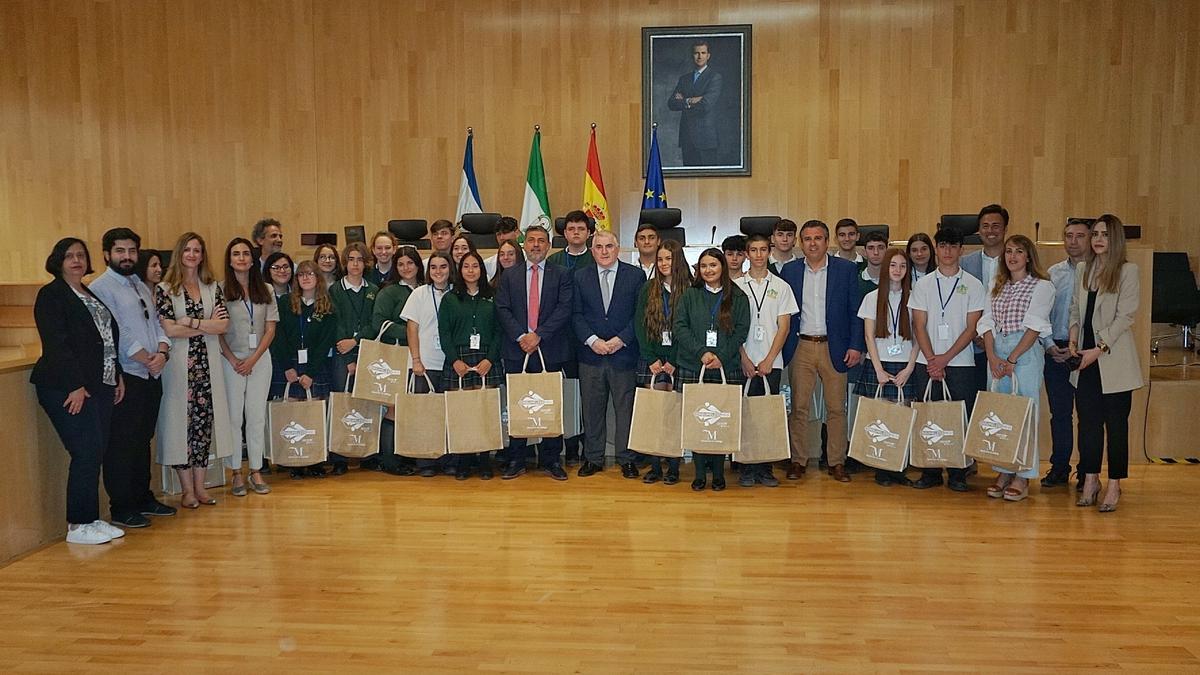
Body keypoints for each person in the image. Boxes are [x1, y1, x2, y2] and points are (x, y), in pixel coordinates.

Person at [31, 238, 126, 544]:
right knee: (85, 451)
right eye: (69, 256)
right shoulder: (52, 295)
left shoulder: (88, 292)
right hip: (66, 386)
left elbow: (106, 340)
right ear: (58, 260)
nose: (76, 261)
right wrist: (75, 385)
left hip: (101, 384)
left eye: (81, 256)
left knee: (95, 451)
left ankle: (92, 518)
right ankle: (77, 524)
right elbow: (56, 345)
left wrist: (118, 375)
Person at [89, 228, 175, 528]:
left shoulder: (139, 284)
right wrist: (146, 358)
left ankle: (143, 497)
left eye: (131, 251)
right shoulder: (101, 287)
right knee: (122, 443)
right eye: (120, 251)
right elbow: (114, 331)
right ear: (106, 254)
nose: (126, 257)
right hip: (128, 374)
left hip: (152, 373)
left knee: (142, 440)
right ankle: (122, 506)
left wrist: (163, 351)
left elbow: (155, 324)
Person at [779, 220, 865, 482]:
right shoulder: (790, 271)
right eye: (807, 239)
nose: (813, 243)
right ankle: (798, 460)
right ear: (800, 243)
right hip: (801, 346)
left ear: (828, 242)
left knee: (836, 408)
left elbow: (856, 312)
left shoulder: (846, 270)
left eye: (818, 238)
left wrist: (855, 345)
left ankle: (836, 462)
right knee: (800, 408)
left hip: (835, 347)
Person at [1069, 214, 1142, 513]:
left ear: (1116, 240)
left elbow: (1126, 316)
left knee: (1115, 427)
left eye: (1105, 235)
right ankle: (1090, 480)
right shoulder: (1084, 269)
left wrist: (1097, 350)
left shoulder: (1128, 271)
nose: (1098, 239)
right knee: (1087, 425)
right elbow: (1075, 310)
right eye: (1096, 233)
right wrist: (1073, 341)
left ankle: (1114, 484)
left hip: (1112, 361)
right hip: (1083, 360)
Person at [155, 232, 232, 508]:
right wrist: (203, 323)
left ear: (202, 256)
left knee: (202, 427)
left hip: (207, 367)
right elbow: (169, 329)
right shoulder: (165, 289)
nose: (192, 255)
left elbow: (222, 326)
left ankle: (200, 487)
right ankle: (186, 490)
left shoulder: (212, 287)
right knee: (179, 427)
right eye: (187, 249)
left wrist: (191, 322)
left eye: (197, 250)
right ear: (180, 253)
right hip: (178, 369)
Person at [977, 234, 1055, 502]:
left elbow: (1035, 326)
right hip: (997, 351)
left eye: (1018, 252)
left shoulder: (1042, 286)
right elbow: (986, 321)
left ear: (1028, 257)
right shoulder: (995, 284)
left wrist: (1012, 359)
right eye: (1008, 251)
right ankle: (1003, 470)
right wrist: (992, 356)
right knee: (1000, 415)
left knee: (1025, 413)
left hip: (1025, 352)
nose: (1012, 256)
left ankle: (1022, 475)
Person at [907, 226, 986, 491]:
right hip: (926, 362)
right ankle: (929, 471)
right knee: (928, 417)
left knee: (958, 418)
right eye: (942, 246)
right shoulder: (923, 284)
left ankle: (958, 472)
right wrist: (932, 359)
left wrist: (945, 359)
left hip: (961, 362)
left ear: (961, 250)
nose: (947, 251)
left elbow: (972, 328)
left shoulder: (974, 285)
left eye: (953, 246)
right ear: (936, 250)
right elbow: (919, 325)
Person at [495, 224, 574, 480]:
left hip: (550, 349)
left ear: (549, 246)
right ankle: (517, 459)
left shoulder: (561, 274)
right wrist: (522, 336)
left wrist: (538, 335)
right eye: (531, 241)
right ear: (524, 245)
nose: (536, 245)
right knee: (518, 405)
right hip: (517, 350)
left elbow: (564, 309)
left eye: (541, 241)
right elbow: (502, 309)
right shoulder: (509, 275)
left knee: (550, 404)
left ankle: (551, 459)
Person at [674, 248, 749, 491]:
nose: (708, 270)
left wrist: (721, 356)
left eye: (713, 265)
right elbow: (680, 327)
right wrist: (702, 353)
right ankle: (698, 474)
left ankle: (718, 473)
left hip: (725, 366)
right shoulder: (689, 295)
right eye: (704, 266)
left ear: (723, 268)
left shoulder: (737, 296)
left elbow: (741, 330)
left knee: (719, 421)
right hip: (693, 365)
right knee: (699, 420)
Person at [571, 230, 644, 478]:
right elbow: (576, 315)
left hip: (623, 354)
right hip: (591, 355)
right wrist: (593, 341)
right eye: (599, 247)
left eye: (609, 246)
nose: (604, 251)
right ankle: (593, 458)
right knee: (592, 411)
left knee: (625, 411)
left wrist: (620, 340)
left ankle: (627, 459)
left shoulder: (635, 276)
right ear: (592, 250)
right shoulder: (580, 277)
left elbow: (640, 315)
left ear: (618, 248)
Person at [736, 233, 798, 487]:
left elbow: (784, 326)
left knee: (768, 417)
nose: (759, 255)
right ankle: (746, 467)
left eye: (763, 250)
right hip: (744, 361)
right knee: (746, 415)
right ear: (747, 254)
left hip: (772, 362)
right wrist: (745, 358)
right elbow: (731, 328)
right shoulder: (738, 286)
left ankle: (766, 468)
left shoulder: (781, 286)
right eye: (754, 250)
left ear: (769, 252)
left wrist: (770, 358)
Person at [217, 237, 278, 497]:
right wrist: (233, 359)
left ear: (252, 260)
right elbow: (218, 331)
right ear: (229, 260)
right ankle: (235, 472)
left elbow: (270, 328)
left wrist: (254, 359)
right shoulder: (219, 290)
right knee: (233, 417)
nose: (241, 258)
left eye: (245, 254)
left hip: (260, 360)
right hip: (230, 360)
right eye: (236, 254)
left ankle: (255, 469)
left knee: (256, 417)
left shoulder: (266, 289)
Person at [856, 249, 919, 486]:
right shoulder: (872, 298)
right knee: (880, 419)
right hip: (879, 364)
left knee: (901, 418)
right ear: (885, 269)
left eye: (903, 266)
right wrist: (878, 368)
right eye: (893, 265)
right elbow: (869, 337)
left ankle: (898, 467)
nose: (897, 270)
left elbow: (919, 337)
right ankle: (881, 469)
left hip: (905, 365)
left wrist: (910, 368)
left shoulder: (914, 297)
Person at [270, 259, 337, 478]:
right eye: (301, 274)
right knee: (293, 411)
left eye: (310, 274)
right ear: (296, 279)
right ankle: (294, 462)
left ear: (318, 278)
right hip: (289, 365)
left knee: (315, 412)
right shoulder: (285, 303)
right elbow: (277, 337)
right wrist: (288, 367)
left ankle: (315, 460)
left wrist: (310, 372)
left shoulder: (326, 306)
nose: (305, 278)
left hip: (315, 366)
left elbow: (325, 342)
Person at [439, 251, 502, 480]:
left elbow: (499, 331)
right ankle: (464, 461)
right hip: (459, 359)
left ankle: (485, 460)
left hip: (486, 358)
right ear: (460, 270)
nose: (471, 270)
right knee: (463, 413)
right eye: (466, 266)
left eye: (475, 266)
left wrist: (490, 359)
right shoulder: (450, 298)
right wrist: (455, 360)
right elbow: (444, 333)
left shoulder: (493, 296)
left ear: (482, 270)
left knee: (484, 412)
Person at [635, 240, 692, 485]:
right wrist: (652, 358)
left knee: (674, 414)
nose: (663, 264)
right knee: (654, 414)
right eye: (660, 260)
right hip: (653, 362)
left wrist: (675, 362)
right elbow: (639, 324)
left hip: (679, 361)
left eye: (668, 259)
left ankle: (674, 467)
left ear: (677, 260)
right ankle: (655, 466)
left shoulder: (690, 289)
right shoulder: (649, 288)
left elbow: (692, 329)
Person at [1042, 218, 1091, 488]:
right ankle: (1060, 467)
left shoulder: (1099, 272)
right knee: (1059, 413)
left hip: (1087, 352)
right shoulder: (1053, 273)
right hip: (1057, 350)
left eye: (1079, 236)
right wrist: (1050, 345)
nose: (1073, 241)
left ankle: (1087, 471)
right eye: (1068, 236)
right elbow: (1042, 314)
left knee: (1087, 414)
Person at [368, 246, 424, 477]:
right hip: (397, 355)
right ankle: (389, 461)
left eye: (410, 263)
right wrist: (413, 332)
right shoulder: (389, 292)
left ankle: (408, 455)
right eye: (400, 264)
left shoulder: (427, 289)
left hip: (422, 356)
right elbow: (378, 323)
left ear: (418, 265)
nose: (405, 268)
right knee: (394, 407)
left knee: (413, 409)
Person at [400, 252, 454, 477]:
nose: (438, 271)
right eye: (433, 267)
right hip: (425, 362)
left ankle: (449, 459)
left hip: (451, 363)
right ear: (428, 271)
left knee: (449, 415)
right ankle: (426, 462)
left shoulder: (456, 293)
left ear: (450, 268)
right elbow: (411, 328)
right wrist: (416, 360)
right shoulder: (419, 294)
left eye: (443, 266)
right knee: (424, 415)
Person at [328, 242, 379, 474]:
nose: (355, 264)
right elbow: (334, 322)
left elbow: (374, 323)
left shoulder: (373, 290)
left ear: (365, 262)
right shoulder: (335, 290)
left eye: (359, 259)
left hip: (367, 351)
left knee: (367, 403)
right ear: (345, 263)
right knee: (342, 402)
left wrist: (357, 342)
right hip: (341, 353)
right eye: (351, 259)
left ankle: (367, 453)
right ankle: (339, 457)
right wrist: (347, 352)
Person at [962, 204, 1009, 392]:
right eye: (985, 226)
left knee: (1003, 407)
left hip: (1006, 345)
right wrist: (976, 334)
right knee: (974, 404)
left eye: (996, 226)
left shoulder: (1014, 261)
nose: (990, 231)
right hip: (973, 346)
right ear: (979, 230)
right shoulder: (965, 262)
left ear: (1005, 229)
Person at [667, 40, 723, 166]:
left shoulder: (715, 77)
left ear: (708, 55)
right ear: (692, 55)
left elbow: (705, 105)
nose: (699, 56)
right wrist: (690, 100)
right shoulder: (684, 79)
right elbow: (671, 103)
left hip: (706, 139)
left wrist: (683, 100)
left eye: (703, 53)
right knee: (688, 182)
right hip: (687, 138)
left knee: (708, 182)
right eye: (696, 53)